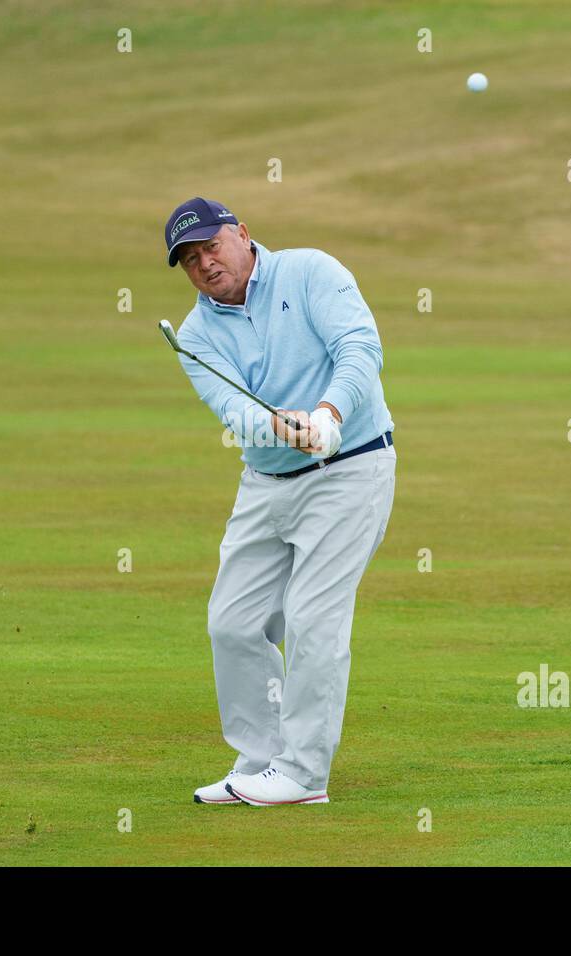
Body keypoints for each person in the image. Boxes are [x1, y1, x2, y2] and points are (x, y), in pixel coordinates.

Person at [163, 196, 397, 806]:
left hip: (350, 467)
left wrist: (328, 413)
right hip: (266, 482)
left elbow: (360, 348)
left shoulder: (311, 271)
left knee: (313, 619)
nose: (204, 264)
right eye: (189, 259)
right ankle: (260, 762)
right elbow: (234, 409)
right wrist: (279, 428)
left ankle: (302, 774)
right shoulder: (193, 335)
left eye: (211, 246)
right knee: (232, 623)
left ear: (242, 234)